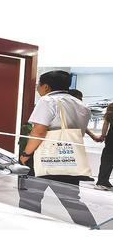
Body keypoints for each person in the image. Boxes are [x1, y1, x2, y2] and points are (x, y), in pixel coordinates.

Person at [18, 70, 96, 226]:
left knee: (30, 198)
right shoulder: (81, 105)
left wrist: (26, 154)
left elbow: (39, 131)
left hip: (44, 156)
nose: (37, 88)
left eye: (38, 85)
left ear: (46, 87)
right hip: (69, 158)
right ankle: (92, 229)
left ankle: (27, 227)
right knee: (72, 200)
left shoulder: (47, 101)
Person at [94, 103, 113, 191]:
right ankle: (102, 182)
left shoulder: (111, 107)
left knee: (107, 160)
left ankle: (103, 181)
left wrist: (103, 135)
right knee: (108, 160)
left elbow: (106, 124)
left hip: (111, 139)